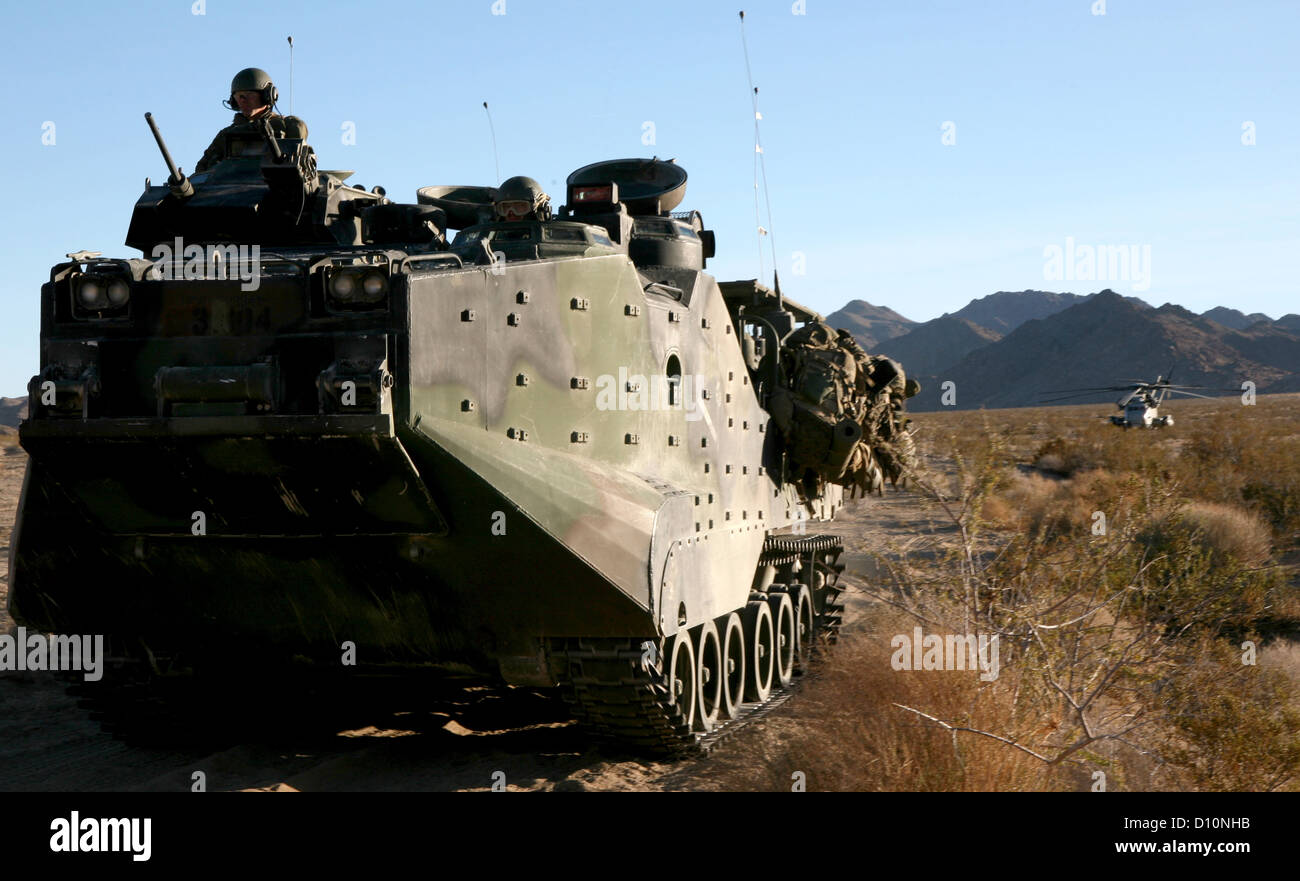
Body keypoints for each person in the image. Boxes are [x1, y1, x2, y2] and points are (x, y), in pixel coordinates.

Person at [194, 67, 308, 173]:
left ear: (267, 96)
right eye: (239, 96)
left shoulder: (287, 126)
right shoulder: (226, 135)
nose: (243, 100)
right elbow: (202, 170)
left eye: (250, 95)